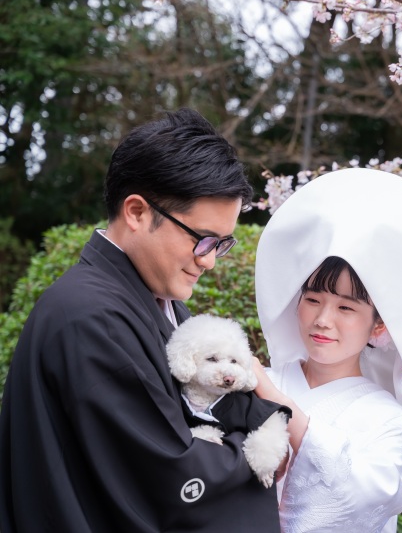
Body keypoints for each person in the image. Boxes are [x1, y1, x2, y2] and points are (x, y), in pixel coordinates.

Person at [0, 108, 285, 532]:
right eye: (202, 240)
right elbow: (164, 476)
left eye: (221, 244)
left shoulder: (152, 300)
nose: (208, 261)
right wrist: (261, 441)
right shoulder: (89, 317)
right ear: (136, 211)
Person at [252, 168, 402, 532]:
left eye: (346, 308)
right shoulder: (256, 381)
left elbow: (366, 500)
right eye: (313, 300)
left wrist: (276, 402)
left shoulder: (389, 421)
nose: (322, 320)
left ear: (378, 325)